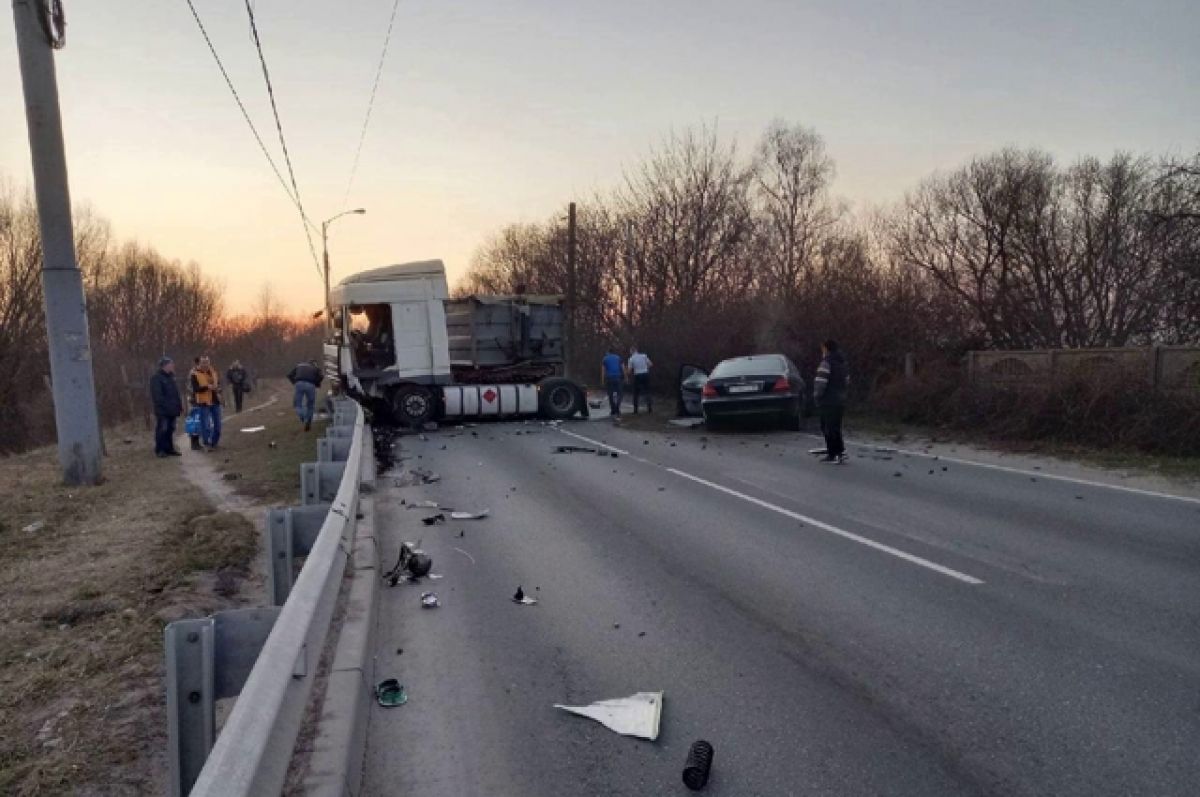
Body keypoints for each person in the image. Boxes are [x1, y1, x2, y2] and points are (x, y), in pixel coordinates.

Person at [813, 339, 849, 464]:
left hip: (828, 400)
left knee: (827, 427)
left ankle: (834, 453)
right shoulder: (842, 364)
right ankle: (838, 451)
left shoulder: (826, 363)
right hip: (840, 400)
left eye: (822, 349)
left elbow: (820, 382)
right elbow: (846, 382)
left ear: (826, 349)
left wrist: (817, 396)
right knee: (835, 427)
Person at [149, 357, 183, 457]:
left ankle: (169, 449)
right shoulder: (156, 378)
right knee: (162, 429)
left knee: (170, 429)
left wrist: (179, 406)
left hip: (173, 409)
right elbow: (157, 396)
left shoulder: (171, 378)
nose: (173, 366)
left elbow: (176, 394)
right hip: (163, 410)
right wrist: (166, 407)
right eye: (171, 364)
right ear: (165, 365)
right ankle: (160, 450)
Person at [190, 355, 222, 450]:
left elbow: (217, 384)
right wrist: (207, 387)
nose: (205, 364)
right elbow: (195, 389)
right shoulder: (194, 374)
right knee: (205, 425)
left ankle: (214, 443)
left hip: (215, 401)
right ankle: (207, 444)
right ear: (199, 363)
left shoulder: (213, 372)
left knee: (218, 425)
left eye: (207, 362)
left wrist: (218, 389)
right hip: (203, 402)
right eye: (203, 362)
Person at [288, 359, 324, 431]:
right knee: (310, 405)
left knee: (297, 404)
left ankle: (303, 417)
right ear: (314, 364)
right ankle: (308, 421)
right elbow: (321, 376)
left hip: (299, 383)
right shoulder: (315, 368)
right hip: (311, 385)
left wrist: (295, 382)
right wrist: (316, 383)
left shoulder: (300, 365)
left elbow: (289, 375)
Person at [627, 345, 654, 414]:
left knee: (636, 393)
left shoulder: (631, 359)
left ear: (632, 351)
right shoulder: (644, 356)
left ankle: (635, 410)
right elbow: (651, 364)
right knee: (647, 391)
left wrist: (628, 375)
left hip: (637, 375)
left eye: (630, 351)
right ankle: (650, 408)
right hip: (645, 374)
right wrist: (645, 368)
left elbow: (629, 370)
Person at [601, 346, 624, 419]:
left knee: (610, 394)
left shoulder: (605, 358)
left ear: (608, 352)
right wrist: (626, 377)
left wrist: (602, 380)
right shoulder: (618, 358)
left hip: (609, 378)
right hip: (618, 377)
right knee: (620, 393)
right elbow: (623, 367)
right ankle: (617, 406)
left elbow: (603, 370)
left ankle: (613, 410)